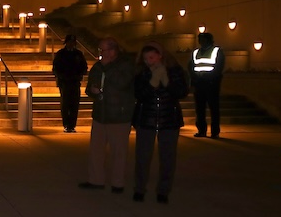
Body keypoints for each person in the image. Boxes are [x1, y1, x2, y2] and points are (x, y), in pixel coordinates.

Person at [132, 41, 189, 204]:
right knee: (143, 157)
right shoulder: (141, 73)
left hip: (169, 119)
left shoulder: (175, 71)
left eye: (152, 57)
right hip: (146, 118)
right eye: (146, 59)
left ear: (160, 56)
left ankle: (163, 191)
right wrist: (153, 82)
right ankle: (139, 189)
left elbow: (181, 92)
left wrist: (166, 81)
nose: (149, 61)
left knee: (168, 158)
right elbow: (139, 94)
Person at [80, 36, 135, 193]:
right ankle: (96, 180)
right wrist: (93, 90)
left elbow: (121, 84)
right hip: (100, 114)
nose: (100, 53)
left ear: (112, 51)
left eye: (102, 50)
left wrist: (107, 68)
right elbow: (90, 86)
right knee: (96, 150)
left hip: (118, 115)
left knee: (119, 151)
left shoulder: (125, 65)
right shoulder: (98, 66)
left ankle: (117, 183)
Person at [189, 32, 225, 139]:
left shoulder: (216, 51)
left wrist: (211, 79)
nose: (201, 42)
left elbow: (219, 67)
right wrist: (194, 81)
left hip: (211, 84)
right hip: (200, 83)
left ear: (209, 40)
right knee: (200, 109)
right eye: (200, 40)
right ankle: (202, 131)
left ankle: (214, 132)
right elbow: (191, 67)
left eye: (203, 39)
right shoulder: (196, 52)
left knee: (213, 108)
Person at [52, 34, 88, 133]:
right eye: (69, 42)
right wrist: (62, 77)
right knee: (66, 103)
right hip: (64, 82)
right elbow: (56, 68)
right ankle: (66, 124)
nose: (71, 44)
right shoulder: (61, 54)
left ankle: (72, 125)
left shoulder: (78, 54)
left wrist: (79, 75)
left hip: (75, 81)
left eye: (73, 42)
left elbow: (84, 67)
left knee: (74, 103)